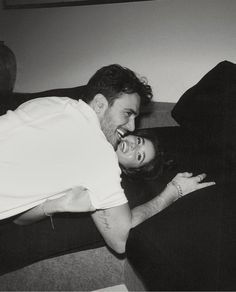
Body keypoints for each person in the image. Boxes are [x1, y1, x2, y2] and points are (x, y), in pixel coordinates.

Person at [0, 64, 215, 254]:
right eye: (128, 113)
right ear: (100, 104)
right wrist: (172, 192)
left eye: (138, 156)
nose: (132, 127)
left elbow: (18, 217)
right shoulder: (99, 153)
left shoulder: (52, 103)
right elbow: (120, 241)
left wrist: (57, 204)